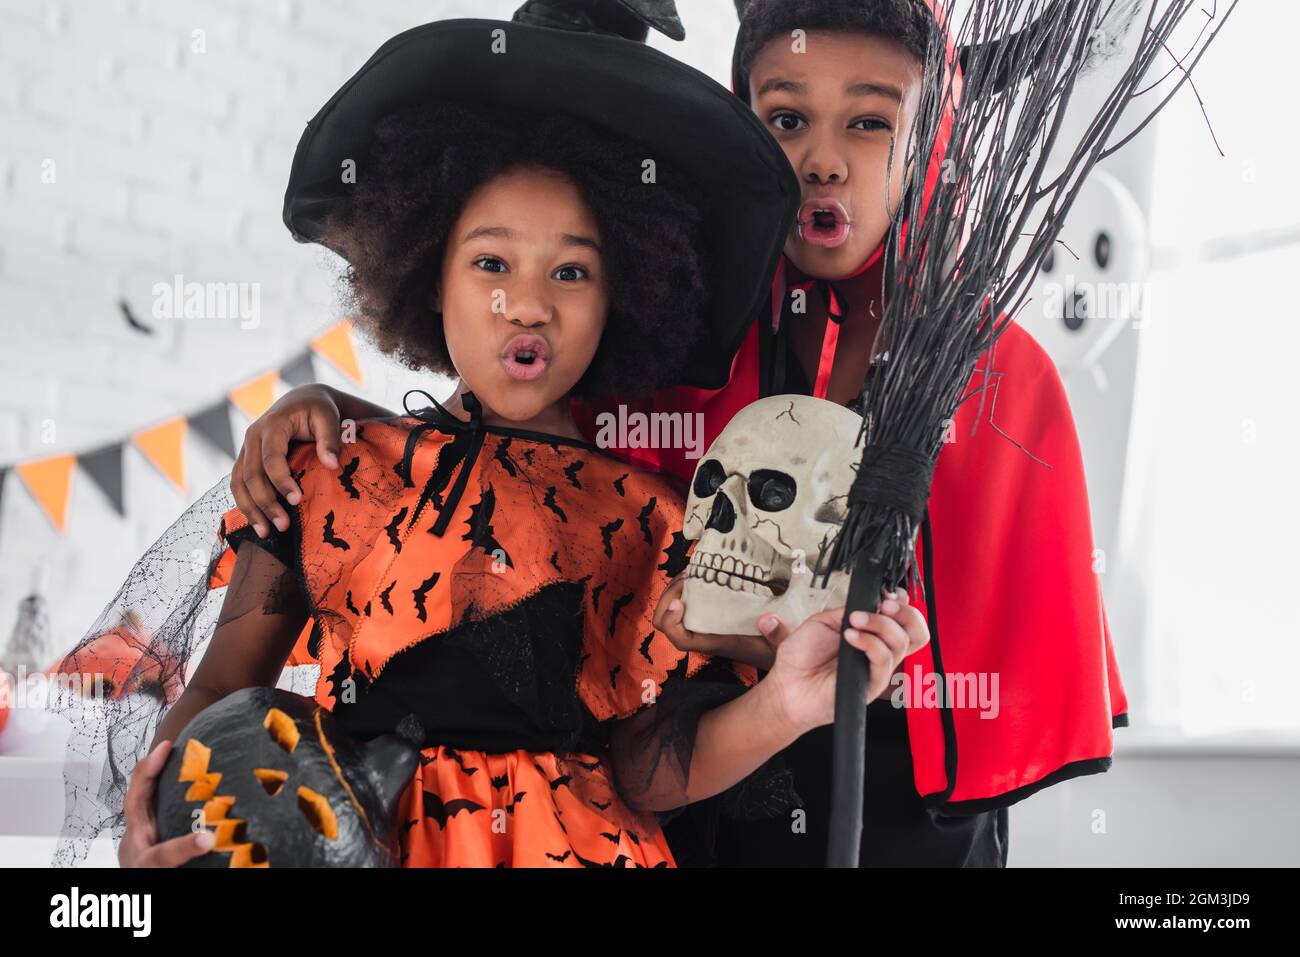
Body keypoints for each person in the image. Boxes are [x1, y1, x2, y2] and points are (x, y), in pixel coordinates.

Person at [227, 0, 1128, 868]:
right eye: (786, 120)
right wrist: (341, 416)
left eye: (870, 124)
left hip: (899, 815)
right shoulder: (685, 364)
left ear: (933, 140)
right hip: (701, 819)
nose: (822, 161)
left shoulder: (998, 377)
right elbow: (509, 460)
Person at [94, 12, 930, 869]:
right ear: (429, 274)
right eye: (491, 263)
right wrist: (158, 822)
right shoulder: (331, 472)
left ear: (623, 297)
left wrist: (785, 705)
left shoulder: (649, 520)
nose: (527, 304)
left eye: (572, 271)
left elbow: (647, 767)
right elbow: (223, 684)